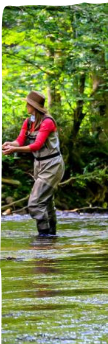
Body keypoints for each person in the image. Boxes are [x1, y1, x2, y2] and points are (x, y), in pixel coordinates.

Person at [1, 91, 66, 237]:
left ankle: (44, 235)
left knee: (35, 204)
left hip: (52, 165)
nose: (26, 106)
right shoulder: (28, 121)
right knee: (47, 202)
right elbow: (19, 140)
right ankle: (51, 237)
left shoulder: (47, 122)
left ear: (34, 106)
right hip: (39, 165)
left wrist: (15, 150)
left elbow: (36, 145)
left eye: (28, 103)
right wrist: (10, 144)